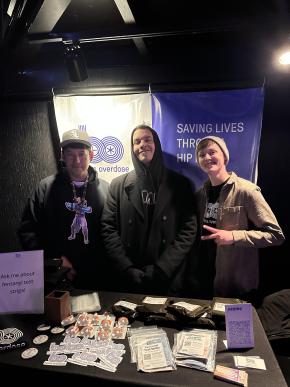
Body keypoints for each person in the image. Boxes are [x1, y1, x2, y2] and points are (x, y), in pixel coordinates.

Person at [101, 124, 197, 295]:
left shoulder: (180, 184)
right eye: (136, 142)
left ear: (156, 145)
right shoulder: (118, 185)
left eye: (147, 139)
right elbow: (108, 227)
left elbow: (188, 229)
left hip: (167, 276)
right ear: (132, 149)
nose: (142, 145)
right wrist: (126, 267)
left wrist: (163, 268)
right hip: (130, 277)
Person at [187, 135, 285, 301]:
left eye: (212, 152)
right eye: (202, 155)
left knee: (237, 328)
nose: (207, 157)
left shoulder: (247, 191)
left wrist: (233, 236)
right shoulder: (199, 194)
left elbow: (276, 235)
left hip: (236, 287)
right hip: (204, 283)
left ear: (224, 156)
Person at [18, 129, 109, 291]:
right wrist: (55, 260)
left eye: (82, 154)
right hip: (55, 278)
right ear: (62, 156)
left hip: (97, 277)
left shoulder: (106, 190)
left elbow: (112, 234)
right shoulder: (45, 188)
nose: (77, 161)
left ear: (91, 155)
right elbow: (28, 230)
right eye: (70, 154)